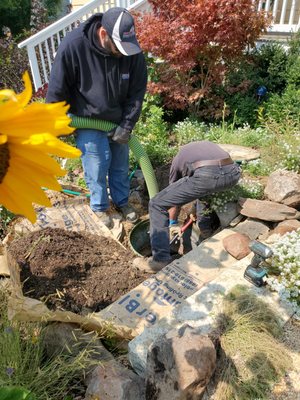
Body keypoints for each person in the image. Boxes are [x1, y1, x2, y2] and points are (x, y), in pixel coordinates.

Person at [46, 7, 147, 228]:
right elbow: (57, 90)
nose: (124, 53)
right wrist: (58, 126)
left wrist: (127, 124)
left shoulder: (130, 50)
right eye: (118, 48)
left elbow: (137, 91)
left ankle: (121, 202)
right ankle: (100, 207)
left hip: (118, 120)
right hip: (87, 117)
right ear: (103, 35)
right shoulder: (73, 46)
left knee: (120, 165)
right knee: (97, 163)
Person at [133, 140, 241, 272]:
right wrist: (193, 209)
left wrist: (172, 223)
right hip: (234, 173)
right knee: (205, 193)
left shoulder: (178, 159)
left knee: (157, 203)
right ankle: (205, 232)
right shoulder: (204, 147)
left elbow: (172, 200)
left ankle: (159, 260)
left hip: (208, 176)